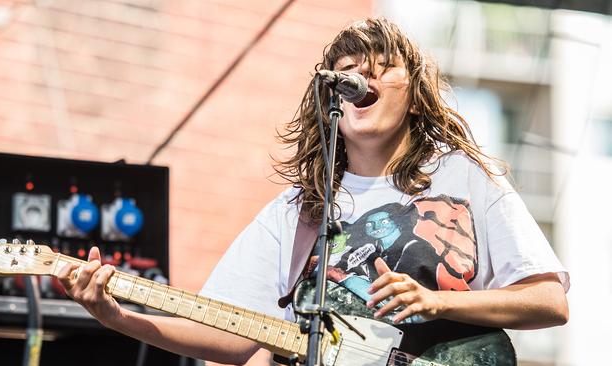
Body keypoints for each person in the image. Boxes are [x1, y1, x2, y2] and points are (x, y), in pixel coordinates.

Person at [58, 17, 569, 365]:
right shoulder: (296, 213)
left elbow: (548, 300)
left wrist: (435, 303)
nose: (361, 78)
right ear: (332, 100)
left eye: (381, 68)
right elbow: (228, 339)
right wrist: (117, 316)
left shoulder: (464, 176)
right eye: (347, 73)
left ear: (415, 97)